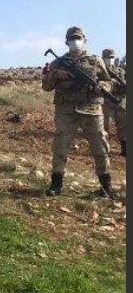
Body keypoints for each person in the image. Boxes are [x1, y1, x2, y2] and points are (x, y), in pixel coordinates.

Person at [42, 26, 115, 198]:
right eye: (73, 38)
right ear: (66, 41)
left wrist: (101, 87)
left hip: (92, 110)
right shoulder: (57, 63)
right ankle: (56, 184)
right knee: (60, 146)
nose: (76, 41)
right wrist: (55, 75)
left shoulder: (96, 60)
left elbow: (108, 81)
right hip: (66, 111)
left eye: (79, 38)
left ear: (85, 40)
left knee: (100, 146)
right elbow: (46, 86)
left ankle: (105, 187)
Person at [101, 48, 126, 156]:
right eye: (108, 57)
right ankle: (105, 150)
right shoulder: (99, 70)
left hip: (120, 101)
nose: (110, 60)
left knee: (123, 125)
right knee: (105, 126)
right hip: (106, 101)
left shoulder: (120, 71)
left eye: (112, 57)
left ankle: (125, 148)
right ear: (103, 58)